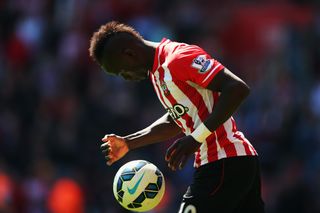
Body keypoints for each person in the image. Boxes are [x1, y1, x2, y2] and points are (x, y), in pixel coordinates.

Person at [89, 21, 265, 213]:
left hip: (224, 161)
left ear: (130, 54)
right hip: (233, 162)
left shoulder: (178, 58)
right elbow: (176, 120)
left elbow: (237, 89)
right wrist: (129, 143)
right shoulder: (157, 73)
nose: (126, 77)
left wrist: (196, 138)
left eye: (122, 71)